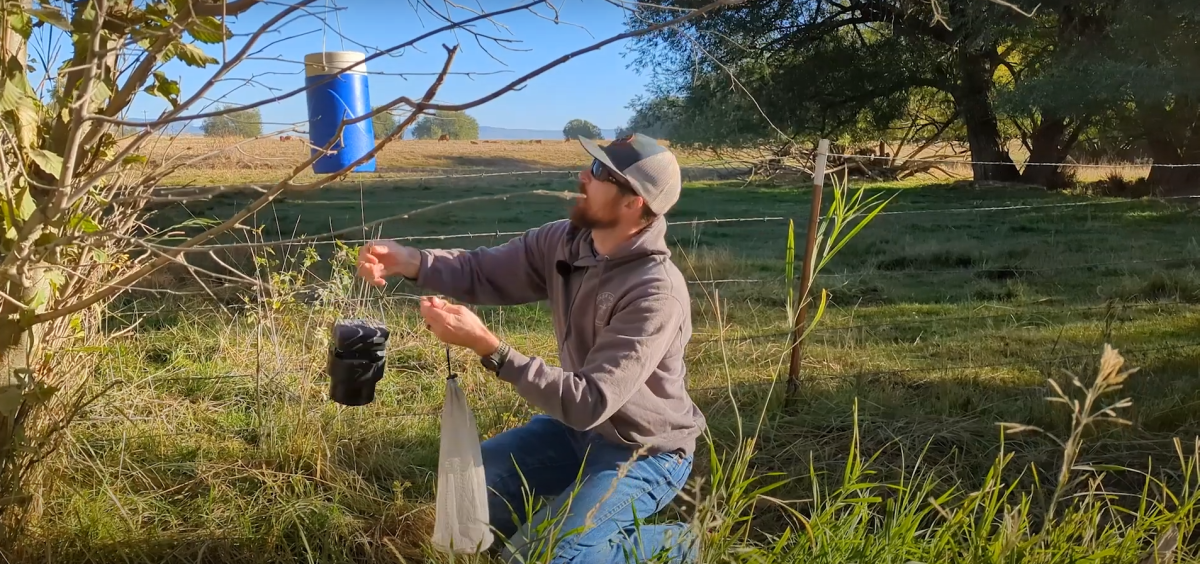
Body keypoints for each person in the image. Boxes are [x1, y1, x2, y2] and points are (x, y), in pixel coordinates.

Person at [356, 133, 706, 563]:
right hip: (574, 432)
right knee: (470, 489)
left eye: (599, 172)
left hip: (643, 452)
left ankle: (679, 544)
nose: (583, 176)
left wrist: (491, 348)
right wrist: (410, 259)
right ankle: (567, 529)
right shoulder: (565, 241)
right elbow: (483, 269)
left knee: (540, 556)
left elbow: (588, 401)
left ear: (634, 201)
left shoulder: (655, 294)